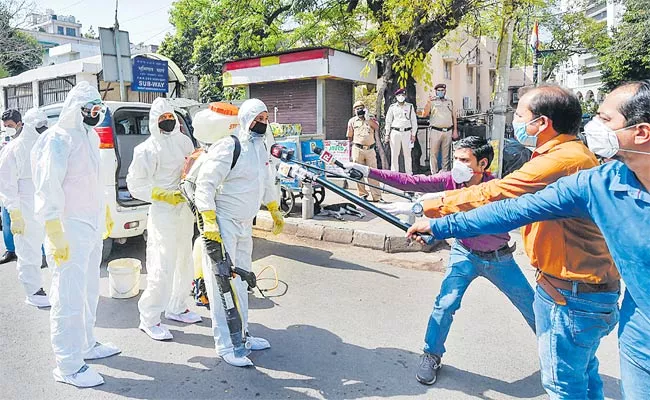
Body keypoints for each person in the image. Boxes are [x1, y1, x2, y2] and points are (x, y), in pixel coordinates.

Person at [410, 80, 650, 399]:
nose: (595, 126)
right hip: (633, 329)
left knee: (564, 384)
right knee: (581, 373)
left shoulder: (565, 160)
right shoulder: (599, 181)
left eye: (605, 120)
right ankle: (432, 352)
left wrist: (435, 215)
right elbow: (515, 209)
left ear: (641, 133)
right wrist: (440, 224)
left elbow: (498, 194)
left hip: (572, 297)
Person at [346, 136, 535, 385]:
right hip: (464, 254)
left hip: (499, 258)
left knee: (533, 307)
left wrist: (425, 212)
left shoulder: (496, 188)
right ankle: (431, 354)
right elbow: (412, 181)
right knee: (445, 305)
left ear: (482, 163)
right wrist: (369, 171)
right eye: (456, 158)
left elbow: (475, 220)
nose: (457, 164)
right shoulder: (451, 180)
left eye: (464, 160)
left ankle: (561, 356)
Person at [31, 81, 120, 388]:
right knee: (67, 295)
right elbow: (47, 187)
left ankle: (86, 344)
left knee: (88, 290)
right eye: (91, 109)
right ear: (76, 110)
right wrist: (54, 230)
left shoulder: (90, 136)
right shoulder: (59, 139)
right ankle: (68, 364)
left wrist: (104, 212)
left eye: (99, 109)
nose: (96, 114)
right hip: (67, 227)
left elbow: (93, 180)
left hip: (90, 224)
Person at [194, 98, 284, 367]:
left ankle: (242, 335)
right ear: (246, 119)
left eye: (266, 119)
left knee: (242, 281)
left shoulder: (261, 148)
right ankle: (226, 344)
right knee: (221, 284)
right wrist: (209, 220)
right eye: (258, 118)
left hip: (245, 224)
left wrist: (274, 208)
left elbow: (266, 181)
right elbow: (205, 184)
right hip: (223, 224)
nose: (262, 123)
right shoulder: (229, 146)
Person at [127, 98, 201, 341]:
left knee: (184, 261)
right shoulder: (146, 150)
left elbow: (191, 167)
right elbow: (135, 184)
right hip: (162, 212)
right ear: (154, 122)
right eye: (163, 119)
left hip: (183, 210)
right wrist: (160, 194)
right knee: (161, 265)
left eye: (171, 118)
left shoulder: (184, 141)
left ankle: (177, 306)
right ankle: (149, 318)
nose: (168, 122)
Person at [0, 108, 50, 307]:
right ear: (28, 125)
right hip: (24, 207)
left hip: (43, 205)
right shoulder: (13, 149)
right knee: (27, 249)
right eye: (39, 127)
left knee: (46, 248)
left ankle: (47, 286)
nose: (42, 130)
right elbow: (7, 185)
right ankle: (33, 292)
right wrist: (15, 212)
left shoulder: (44, 146)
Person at [347, 101, 383, 202]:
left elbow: (377, 127)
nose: (359, 110)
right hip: (357, 149)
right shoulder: (352, 121)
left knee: (373, 173)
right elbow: (349, 136)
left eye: (361, 108)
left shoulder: (370, 119)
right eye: (357, 109)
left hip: (370, 149)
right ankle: (362, 195)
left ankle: (377, 196)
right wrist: (351, 151)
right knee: (358, 173)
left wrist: (368, 118)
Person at [0, 108, 23, 265]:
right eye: (4, 125)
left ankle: (41, 252)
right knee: (7, 218)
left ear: (19, 124)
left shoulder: (27, 139)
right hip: (7, 184)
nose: (7, 128)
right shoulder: (4, 138)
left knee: (31, 221)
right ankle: (11, 250)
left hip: (23, 185)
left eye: (9, 125)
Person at [422, 84, 458, 173]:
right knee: (433, 154)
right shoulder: (432, 101)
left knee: (446, 155)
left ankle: (444, 174)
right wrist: (428, 102)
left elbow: (454, 117)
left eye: (442, 90)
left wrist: (455, 130)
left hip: (448, 131)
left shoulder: (450, 102)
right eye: (439, 90)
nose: (441, 92)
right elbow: (424, 114)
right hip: (435, 131)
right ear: (436, 91)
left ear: (445, 91)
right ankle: (434, 174)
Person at [385, 88, 418, 174]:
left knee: (408, 155)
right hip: (395, 132)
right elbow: (388, 121)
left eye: (403, 95)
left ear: (405, 96)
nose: (401, 97)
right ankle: (394, 174)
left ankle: (409, 174)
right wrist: (387, 134)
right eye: (399, 95)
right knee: (394, 155)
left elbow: (413, 121)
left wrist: (413, 134)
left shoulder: (410, 106)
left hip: (407, 132)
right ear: (396, 97)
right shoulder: (392, 107)